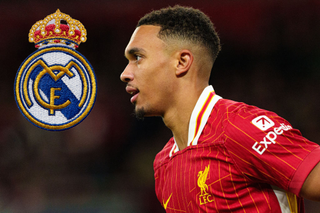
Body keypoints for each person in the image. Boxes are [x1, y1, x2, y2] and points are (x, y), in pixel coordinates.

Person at [120, 5, 320, 212]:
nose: (125, 73)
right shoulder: (163, 165)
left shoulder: (241, 128)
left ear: (182, 62)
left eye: (138, 58)